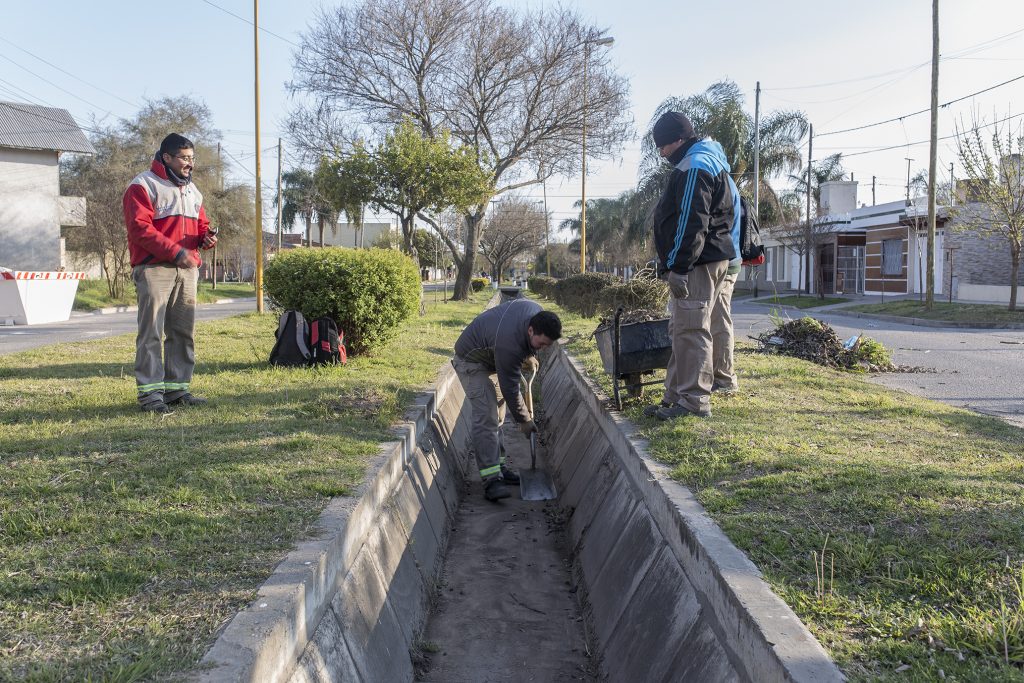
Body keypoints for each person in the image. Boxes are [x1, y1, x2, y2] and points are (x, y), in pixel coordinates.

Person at [643, 111, 739, 420]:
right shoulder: (709, 159)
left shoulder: (694, 165)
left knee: (692, 330)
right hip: (711, 258)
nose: (661, 153)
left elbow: (691, 220)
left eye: (664, 146)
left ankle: (693, 401)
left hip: (697, 262)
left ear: (679, 140)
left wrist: (680, 266)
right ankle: (674, 395)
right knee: (682, 330)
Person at [123, 133, 217, 414]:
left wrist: (206, 238)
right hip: (154, 269)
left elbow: (201, 225)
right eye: (185, 158)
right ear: (166, 157)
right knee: (151, 332)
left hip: (186, 270)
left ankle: (177, 389)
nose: (190, 164)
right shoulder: (142, 186)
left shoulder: (192, 190)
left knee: (182, 332)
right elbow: (140, 230)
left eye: (192, 158)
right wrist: (176, 252)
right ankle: (151, 396)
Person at [453, 299, 562, 501]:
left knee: (499, 416)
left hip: (493, 357)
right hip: (472, 361)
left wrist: (529, 353)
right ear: (531, 331)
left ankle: (499, 466)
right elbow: (511, 388)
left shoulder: (536, 312)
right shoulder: (509, 345)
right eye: (541, 344)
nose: (543, 348)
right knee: (486, 418)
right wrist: (525, 421)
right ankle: (491, 480)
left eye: (547, 345)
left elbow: (519, 353)